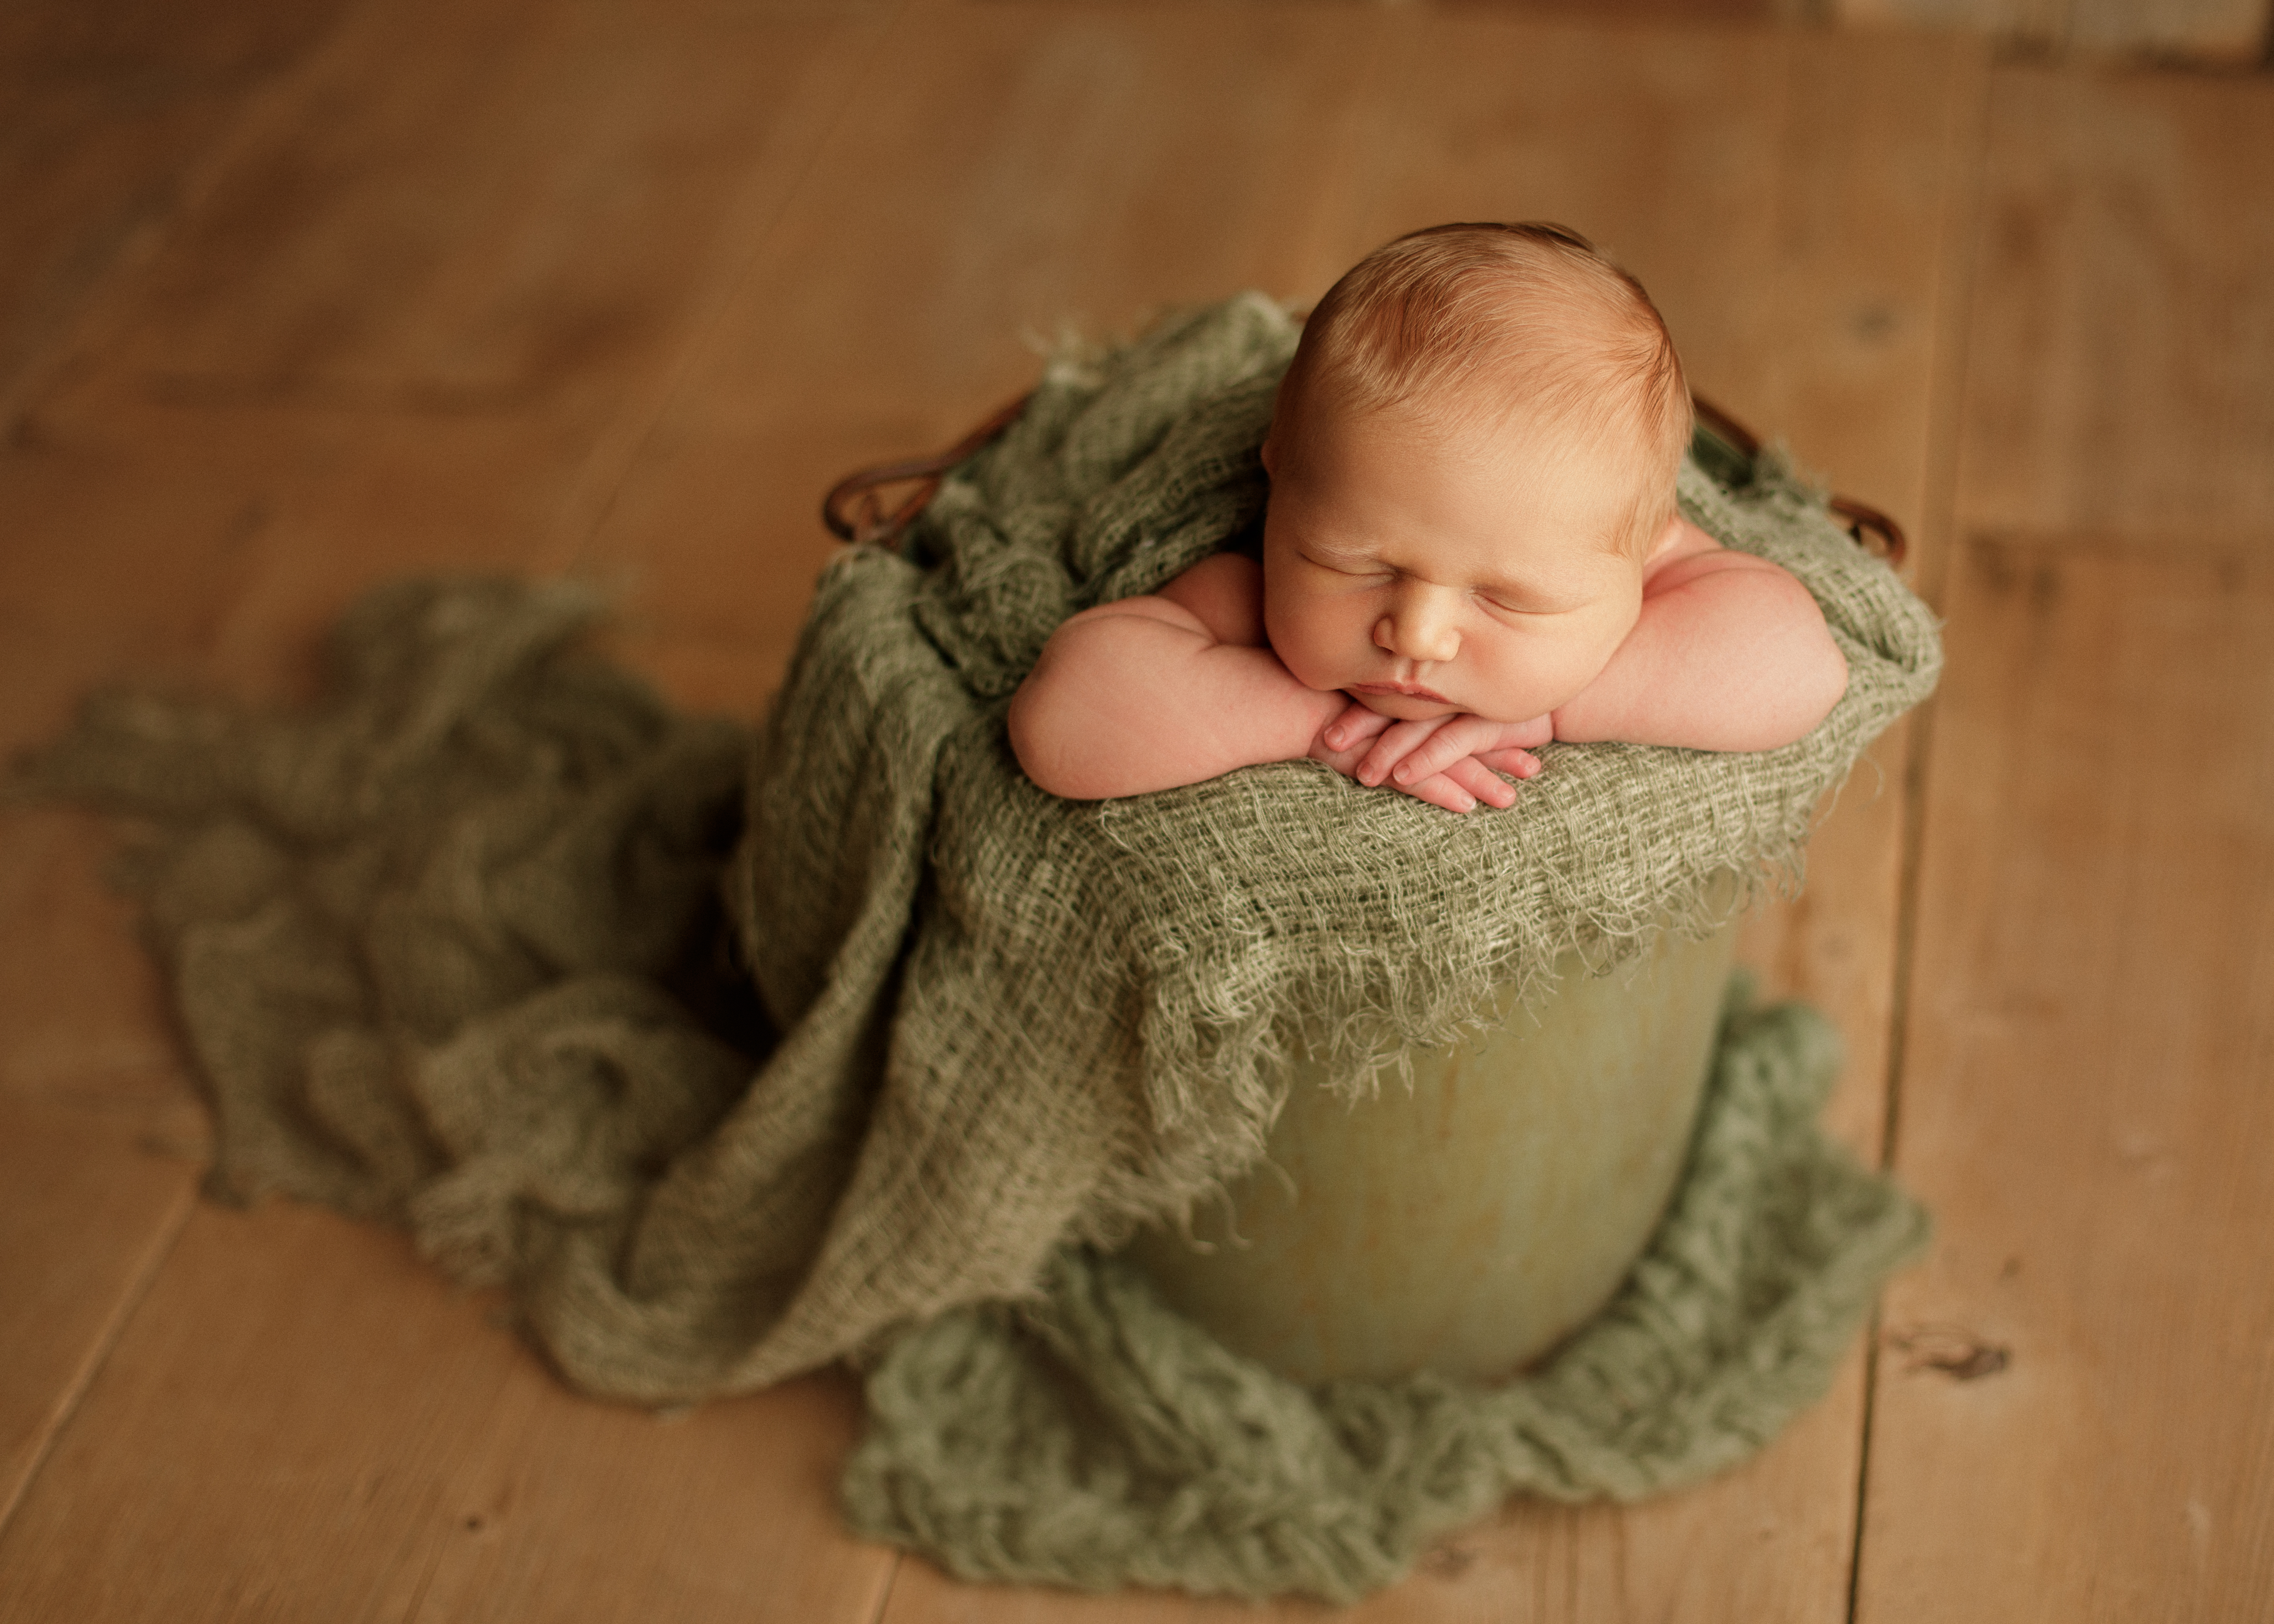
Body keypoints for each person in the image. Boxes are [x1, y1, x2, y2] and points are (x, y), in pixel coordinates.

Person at [1007, 222, 1849, 814]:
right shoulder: (1244, 594)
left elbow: (1806, 666)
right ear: (1280, 488)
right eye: (1353, 563)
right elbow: (1060, 724)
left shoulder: (1648, 567)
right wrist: (1312, 724)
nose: (1416, 634)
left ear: (1644, 551)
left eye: (1507, 598)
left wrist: (1552, 711)